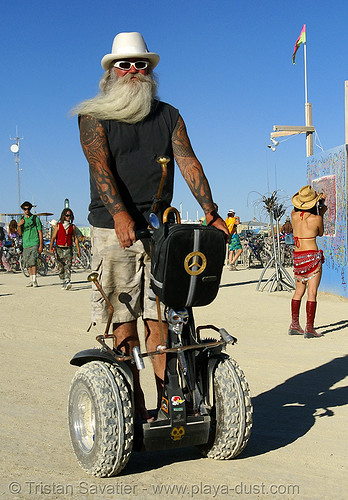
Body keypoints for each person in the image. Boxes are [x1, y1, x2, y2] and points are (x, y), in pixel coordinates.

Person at [73, 31, 229, 421]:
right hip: (113, 231)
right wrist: (121, 213)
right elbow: (100, 166)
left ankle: (166, 405)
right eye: (125, 64)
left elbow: (188, 162)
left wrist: (210, 211)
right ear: (111, 71)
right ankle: (130, 409)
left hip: (161, 232)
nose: (134, 71)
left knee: (163, 321)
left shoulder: (169, 116)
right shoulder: (94, 115)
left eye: (140, 64)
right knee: (123, 322)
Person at [288, 185, 327, 339]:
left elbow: (297, 208)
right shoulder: (316, 218)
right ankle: (309, 328)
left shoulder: (293, 215)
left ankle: (294, 324)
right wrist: (321, 213)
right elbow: (321, 233)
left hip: (298, 256)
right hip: (311, 256)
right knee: (312, 292)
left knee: (298, 291)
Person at [49, 209, 80, 290]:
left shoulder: (72, 227)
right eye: (66, 215)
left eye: (69, 215)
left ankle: (67, 280)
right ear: (63, 216)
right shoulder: (58, 226)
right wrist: (50, 248)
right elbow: (53, 237)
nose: (68, 217)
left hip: (68, 247)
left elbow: (75, 238)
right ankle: (63, 280)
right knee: (61, 266)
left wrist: (78, 249)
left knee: (68, 264)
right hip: (59, 248)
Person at [17, 202, 43, 287]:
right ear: (23, 209)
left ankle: (35, 280)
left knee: (33, 261)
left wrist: (40, 245)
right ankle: (31, 280)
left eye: (28, 209)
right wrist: (19, 225)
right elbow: (20, 234)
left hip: (34, 242)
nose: (26, 210)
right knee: (28, 262)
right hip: (26, 244)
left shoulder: (35, 219)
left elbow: (40, 232)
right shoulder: (21, 219)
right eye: (25, 209)